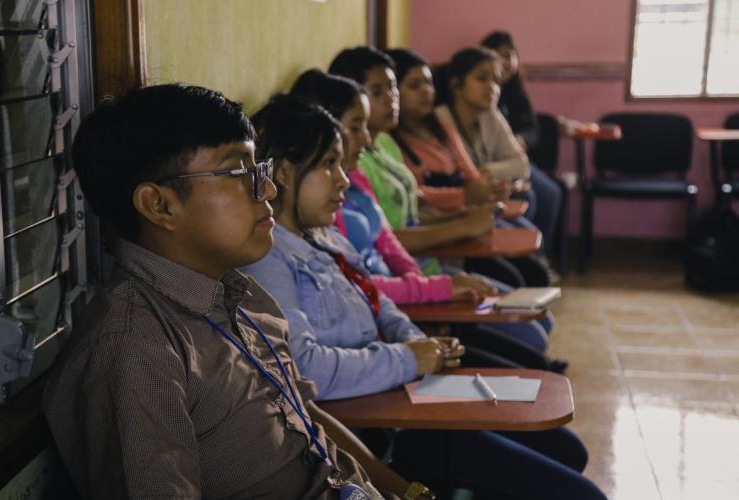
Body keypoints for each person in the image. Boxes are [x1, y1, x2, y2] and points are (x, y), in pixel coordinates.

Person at [42, 83, 436, 499]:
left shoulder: (239, 293)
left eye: (258, 170)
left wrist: (407, 493)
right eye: (239, 174)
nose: (268, 190)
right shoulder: (134, 347)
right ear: (159, 205)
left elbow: (306, 419)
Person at [243, 94, 606, 500]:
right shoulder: (269, 260)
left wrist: (416, 341)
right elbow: (307, 370)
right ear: (285, 172)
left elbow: (377, 301)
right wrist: (408, 358)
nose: (343, 179)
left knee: (564, 448)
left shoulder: (323, 235)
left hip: (408, 395)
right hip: (380, 431)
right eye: (329, 164)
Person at [289, 68, 556, 357]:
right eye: (356, 126)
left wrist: (427, 292)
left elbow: (389, 244)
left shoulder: (364, 169)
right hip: (394, 315)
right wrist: (436, 287)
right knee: (529, 338)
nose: (365, 139)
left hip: (409, 297)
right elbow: (359, 287)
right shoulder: (321, 208)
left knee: (533, 323)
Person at [386, 47, 551, 287]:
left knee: (534, 266)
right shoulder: (391, 141)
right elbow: (416, 196)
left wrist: (487, 189)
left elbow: (474, 176)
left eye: (429, 83)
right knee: (515, 277)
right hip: (439, 229)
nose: (425, 91)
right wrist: (465, 196)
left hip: (464, 216)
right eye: (414, 85)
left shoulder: (439, 126)